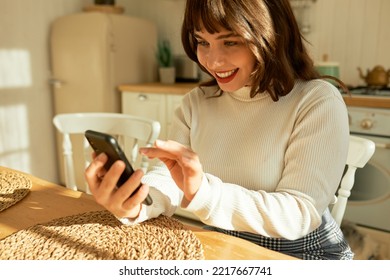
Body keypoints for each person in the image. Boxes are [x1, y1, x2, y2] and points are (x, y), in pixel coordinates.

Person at [85, 0, 353, 260]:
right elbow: (170, 177)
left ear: (272, 34)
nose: (212, 61)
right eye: (202, 42)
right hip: (225, 241)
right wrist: (139, 202)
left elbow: (299, 214)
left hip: (301, 253)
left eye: (230, 41)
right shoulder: (197, 102)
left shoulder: (316, 101)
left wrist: (204, 190)